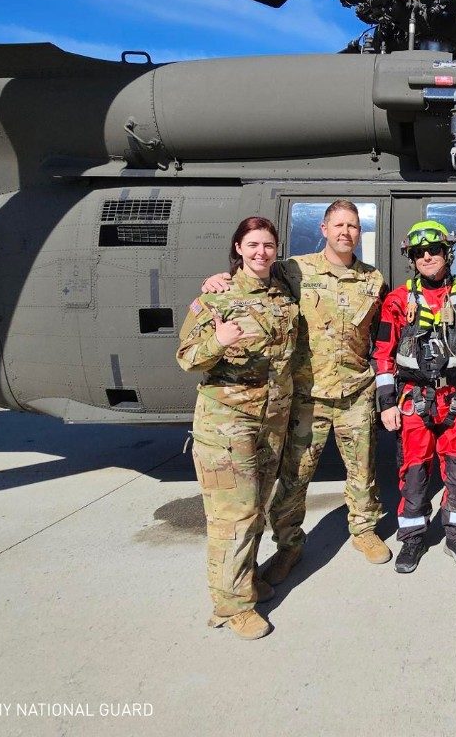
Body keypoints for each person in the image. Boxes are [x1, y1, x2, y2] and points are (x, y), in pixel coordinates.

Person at [201, 201, 390, 587]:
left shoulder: (373, 279)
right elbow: (255, 285)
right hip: (308, 396)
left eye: (352, 226)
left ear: (359, 231)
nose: (345, 232)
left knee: (363, 470)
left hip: (355, 391)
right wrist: (219, 280)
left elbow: (380, 332)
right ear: (323, 228)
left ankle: (364, 530)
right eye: (338, 225)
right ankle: (289, 546)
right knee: (295, 476)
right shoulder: (294, 270)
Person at [176, 216, 299, 640]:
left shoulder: (282, 295)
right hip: (227, 425)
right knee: (234, 515)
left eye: (268, 245)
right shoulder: (216, 299)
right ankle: (231, 606)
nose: (261, 252)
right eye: (253, 245)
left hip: (269, 423)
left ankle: (243, 581)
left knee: (255, 509)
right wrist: (218, 341)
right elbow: (188, 357)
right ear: (238, 248)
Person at [372, 220, 456, 573]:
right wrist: (386, 404)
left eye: (434, 250)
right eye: (419, 252)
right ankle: (412, 540)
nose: (427, 256)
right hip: (413, 399)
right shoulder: (398, 300)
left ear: (447, 253)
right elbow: (383, 353)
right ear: (412, 258)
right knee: (412, 471)